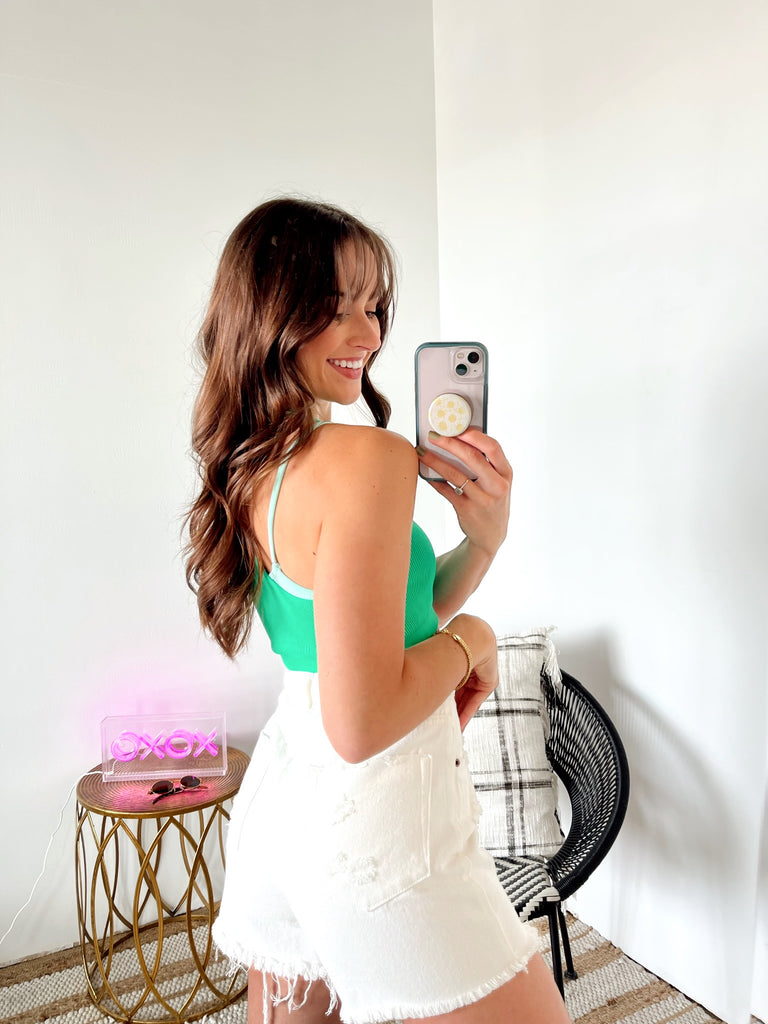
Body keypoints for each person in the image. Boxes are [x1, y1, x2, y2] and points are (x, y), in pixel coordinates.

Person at [185, 197, 571, 1024]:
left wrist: (484, 542)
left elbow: (384, 625)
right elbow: (361, 722)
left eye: (374, 305)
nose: (367, 334)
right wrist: (474, 640)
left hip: (289, 809)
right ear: (270, 315)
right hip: (384, 831)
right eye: (335, 307)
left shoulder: (254, 462)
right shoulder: (368, 457)